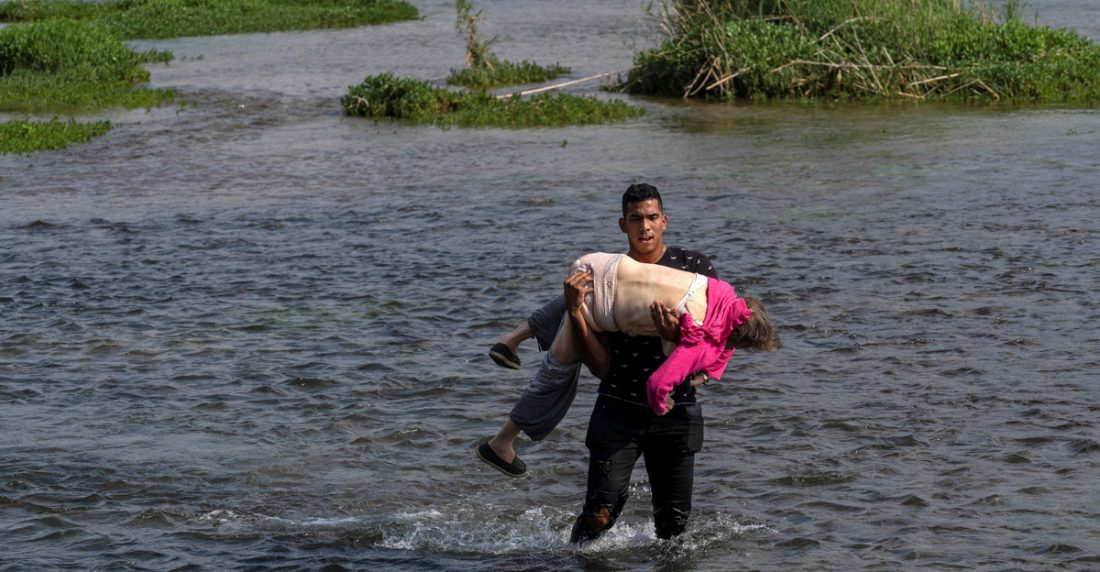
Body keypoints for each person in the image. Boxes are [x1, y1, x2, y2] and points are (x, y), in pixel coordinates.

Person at [477, 183, 717, 478]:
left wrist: (698, 369)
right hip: (618, 402)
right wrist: (575, 310)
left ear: (664, 221)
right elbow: (602, 367)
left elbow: (716, 331)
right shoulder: (613, 269)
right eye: (636, 219)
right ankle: (503, 435)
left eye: (652, 218)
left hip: (675, 405)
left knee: (593, 289)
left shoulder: (690, 264)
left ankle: (513, 345)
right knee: (563, 353)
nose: (645, 227)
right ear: (622, 225)